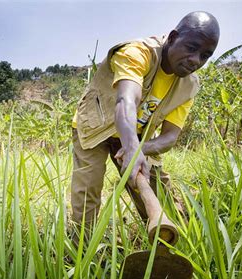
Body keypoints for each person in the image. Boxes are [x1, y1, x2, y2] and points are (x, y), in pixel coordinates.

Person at [70, 11, 220, 240]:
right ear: (172, 38)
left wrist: (139, 149)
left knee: (158, 189)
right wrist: (132, 147)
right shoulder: (137, 53)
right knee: (88, 187)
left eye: (205, 56)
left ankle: (169, 240)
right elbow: (126, 101)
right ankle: (82, 248)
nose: (195, 60)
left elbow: (170, 136)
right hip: (96, 125)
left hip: (135, 135)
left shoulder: (189, 86)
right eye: (191, 48)